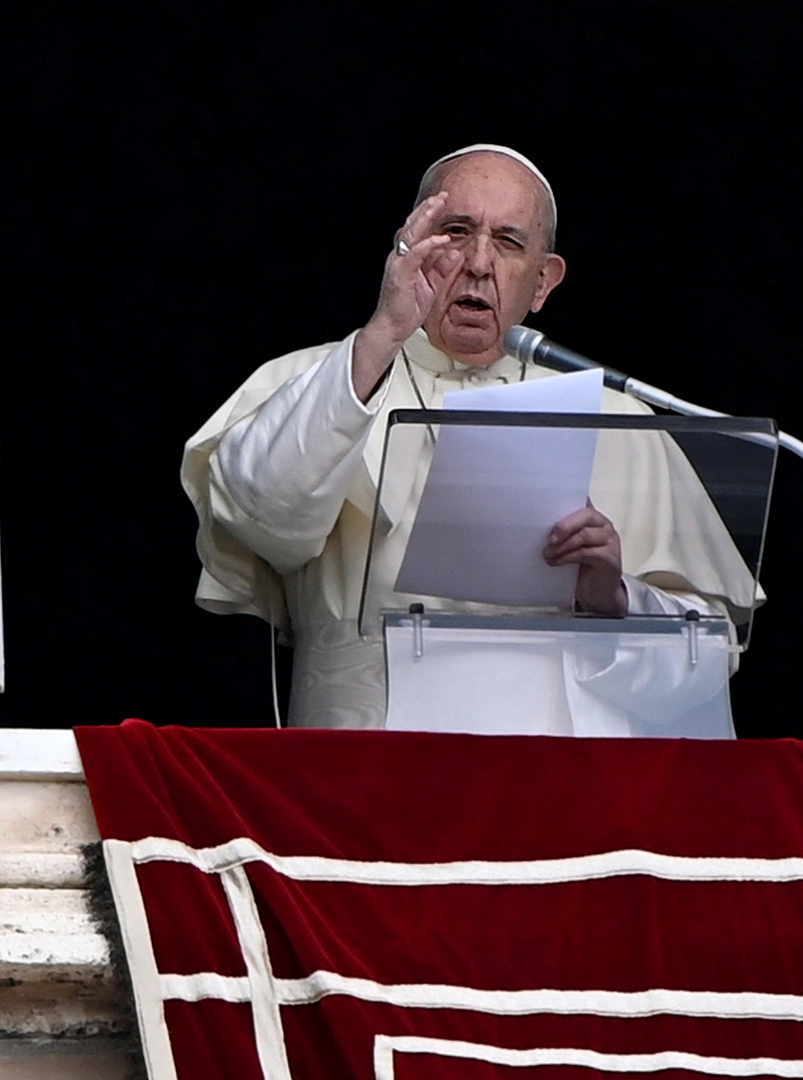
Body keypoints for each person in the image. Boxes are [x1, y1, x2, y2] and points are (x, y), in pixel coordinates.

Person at [182, 145, 756, 733]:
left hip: (566, 791)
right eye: (456, 232)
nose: (479, 262)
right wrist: (384, 332)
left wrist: (613, 600)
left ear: (543, 282)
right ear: (409, 246)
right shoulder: (315, 382)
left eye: (509, 242)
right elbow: (261, 517)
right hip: (363, 771)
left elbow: (707, 662)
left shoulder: (622, 420)